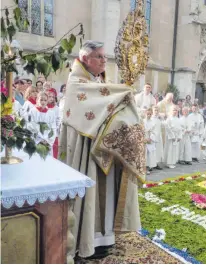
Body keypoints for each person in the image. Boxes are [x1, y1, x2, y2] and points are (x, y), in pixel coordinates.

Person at [59, 41, 145, 259]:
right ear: (86, 58)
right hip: (86, 152)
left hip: (104, 147)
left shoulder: (98, 81)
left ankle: (105, 238)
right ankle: (86, 242)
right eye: (100, 57)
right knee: (90, 195)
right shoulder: (76, 83)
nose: (104, 61)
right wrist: (123, 91)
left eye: (105, 57)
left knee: (106, 195)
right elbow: (96, 103)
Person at [47, 88, 60, 159]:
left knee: (54, 150)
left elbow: (58, 119)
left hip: (54, 132)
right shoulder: (44, 107)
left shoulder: (56, 108)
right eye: (49, 96)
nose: (51, 98)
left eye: (53, 97)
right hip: (45, 132)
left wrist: (56, 128)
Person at [144, 108, 157, 174]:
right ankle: (144, 168)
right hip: (144, 139)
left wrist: (150, 138)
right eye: (147, 114)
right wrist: (145, 139)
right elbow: (141, 131)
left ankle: (149, 166)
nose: (148, 115)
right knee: (144, 154)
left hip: (150, 139)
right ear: (145, 113)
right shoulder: (142, 121)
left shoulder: (153, 122)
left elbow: (154, 131)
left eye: (150, 114)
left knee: (150, 153)